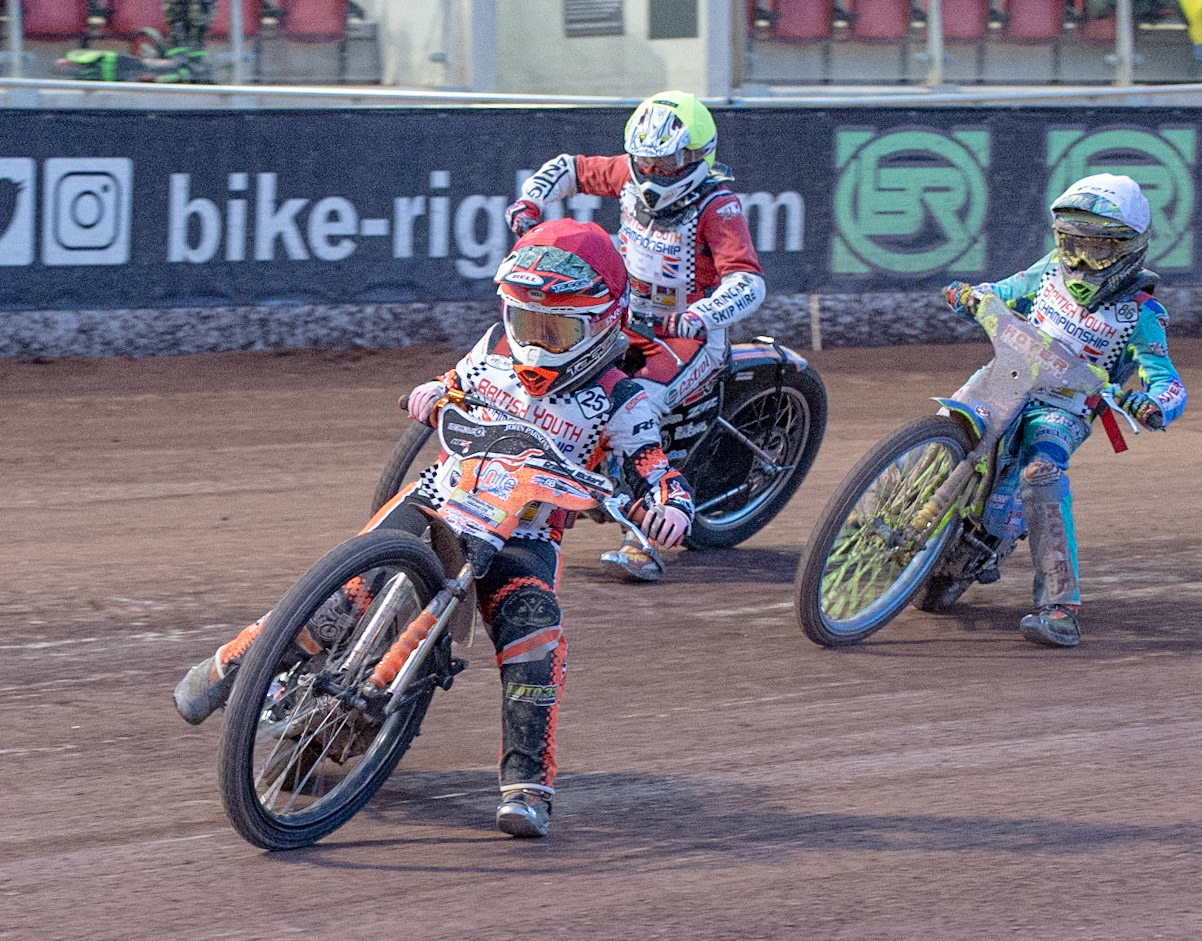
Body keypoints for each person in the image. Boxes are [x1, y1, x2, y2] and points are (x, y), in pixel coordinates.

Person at [173, 218, 695, 839]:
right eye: (525, 322)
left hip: (523, 539)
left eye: (554, 328)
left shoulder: (624, 399)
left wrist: (668, 506)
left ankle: (528, 784)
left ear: (604, 321)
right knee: (342, 594)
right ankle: (230, 664)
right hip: (439, 498)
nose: (534, 340)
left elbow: (652, 466)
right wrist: (432, 391)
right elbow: (457, 382)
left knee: (535, 642)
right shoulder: (497, 348)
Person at [505, 90, 766, 583]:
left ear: (694, 158)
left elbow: (749, 280)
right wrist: (531, 198)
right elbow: (571, 167)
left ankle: (646, 534)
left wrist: (703, 314)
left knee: (635, 404)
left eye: (665, 163)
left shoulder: (718, 206)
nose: (652, 173)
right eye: (643, 159)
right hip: (623, 314)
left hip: (688, 335)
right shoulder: (628, 172)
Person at [943, 173, 1187, 649]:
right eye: (1072, 244)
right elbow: (1004, 290)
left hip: (1065, 406)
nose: (1079, 260)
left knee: (1040, 470)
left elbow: (1167, 379)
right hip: (1007, 375)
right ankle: (876, 508)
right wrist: (970, 296)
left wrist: (1153, 404)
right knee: (947, 425)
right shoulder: (1050, 270)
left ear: (1129, 248)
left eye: (1096, 249)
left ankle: (1060, 607)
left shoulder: (1141, 315)